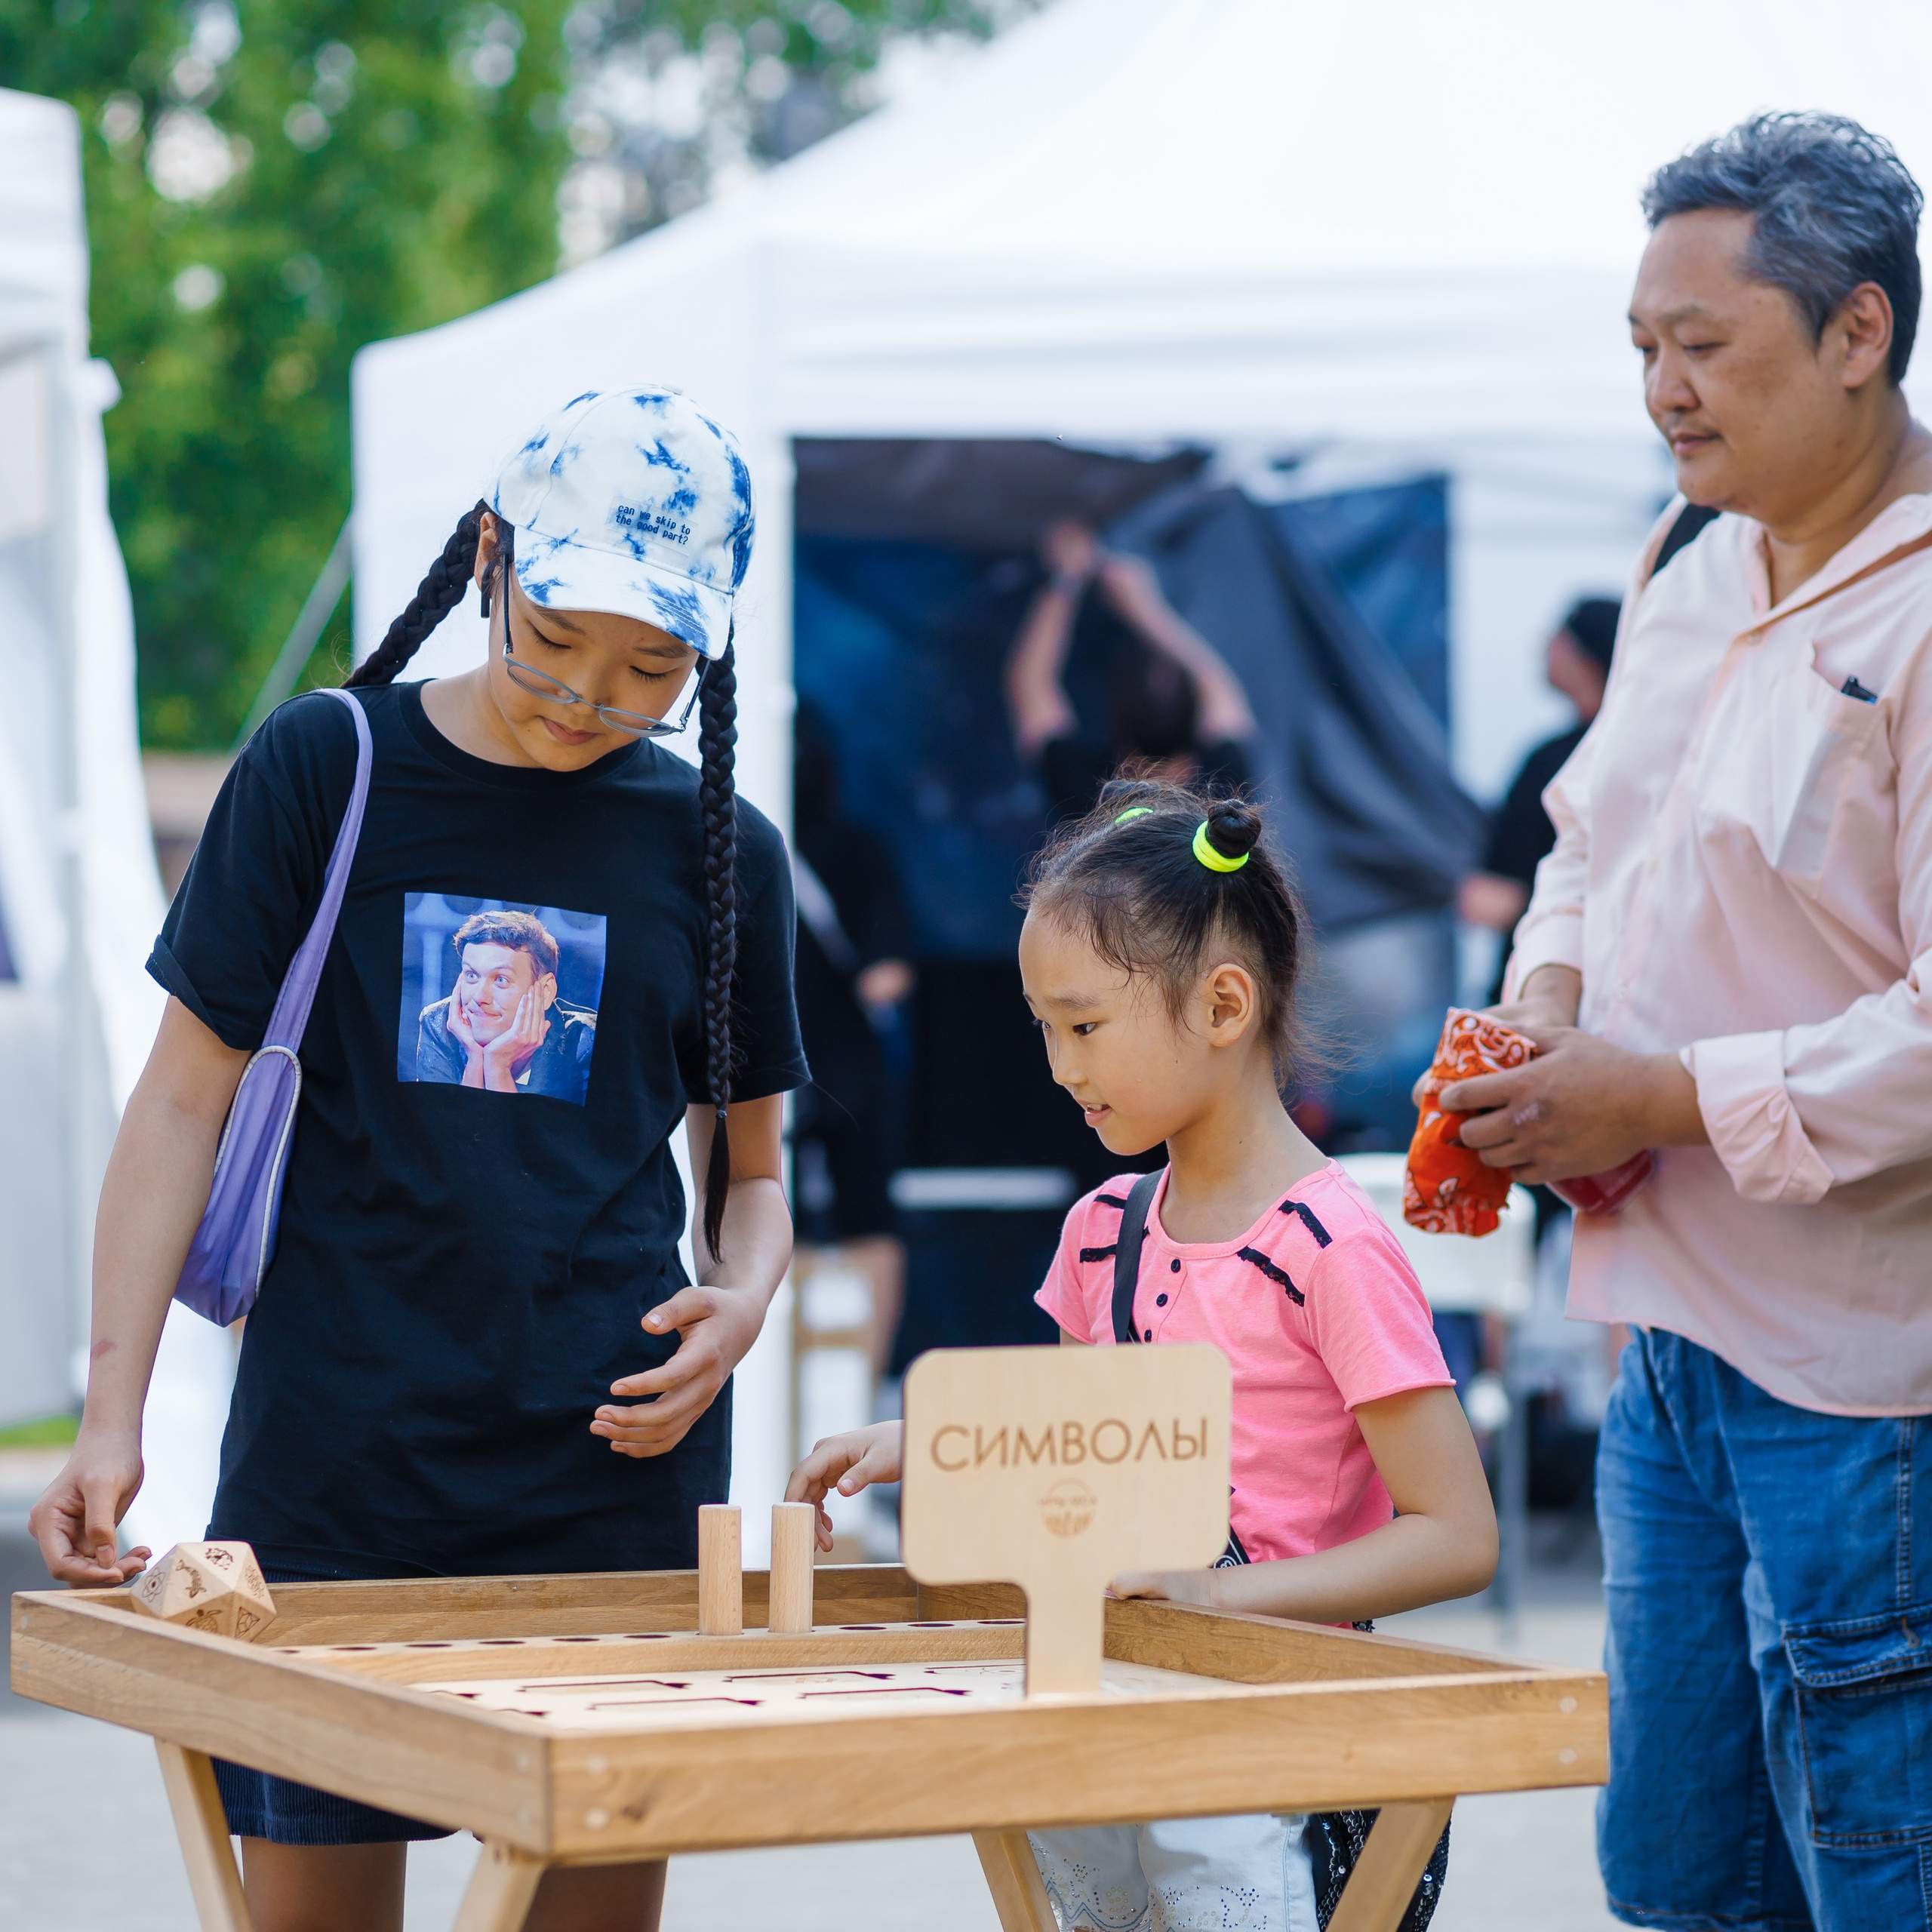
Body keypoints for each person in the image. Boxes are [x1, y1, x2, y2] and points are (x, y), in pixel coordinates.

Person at [29, 387, 807, 1932]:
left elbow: (756, 1177)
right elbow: (179, 1102)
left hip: (610, 1468)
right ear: (490, 558)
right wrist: (110, 1415)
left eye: (653, 667)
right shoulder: (329, 764)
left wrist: (741, 1299)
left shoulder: (722, 850)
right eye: (558, 636)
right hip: (340, 1458)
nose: (590, 696)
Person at [1435, 115, 1932, 1930]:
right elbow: (1585, 838)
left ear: (1857, 331)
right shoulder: (1683, 558)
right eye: (1640, 346)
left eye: (1701, 347)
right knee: (1681, 1866)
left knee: (1874, 1864)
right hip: (1662, 1349)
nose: (1659, 388)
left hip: (1863, 1377)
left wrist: (1651, 1088)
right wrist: (1541, 1022)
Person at [790, 783, 1497, 1932]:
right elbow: (1076, 1448)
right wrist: (914, 1446)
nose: (1060, 1066)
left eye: (1084, 1025)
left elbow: (1457, 1537)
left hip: (1267, 1755)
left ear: (1223, 1006)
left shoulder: (1331, 1248)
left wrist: (1217, 1594)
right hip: (1102, 1711)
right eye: (1044, 1028)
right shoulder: (1103, 1227)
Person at [790, 700, 915, 1373]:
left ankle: (787, 1381)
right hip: (849, 1074)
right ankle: (857, 1384)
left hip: (756, 1069)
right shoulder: (858, 847)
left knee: (776, 1216)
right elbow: (886, 979)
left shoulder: (738, 842)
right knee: (869, 1221)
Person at [1008, 521, 1258, 823]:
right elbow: (1219, 689)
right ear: (1196, 722)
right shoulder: (1225, 790)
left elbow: (1030, 683)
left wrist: (1066, 580)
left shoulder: (1087, 791)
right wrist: (1148, 610)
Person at [1458, 596, 1620, 996]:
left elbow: (1491, 900)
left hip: (1540, 993)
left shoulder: (1551, 764)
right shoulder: (1658, 755)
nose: (1546, 645)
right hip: (1623, 997)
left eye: (1559, 635)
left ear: (1587, 659)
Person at [410, 906, 597, 1102]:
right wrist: (475, 1060)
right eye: (472, 976)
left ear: (546, 991)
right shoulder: (439, 1024)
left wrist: (498, 1066)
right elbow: (447, 1129)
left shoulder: (585, 1043)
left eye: (501, 980)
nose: (480, 997)